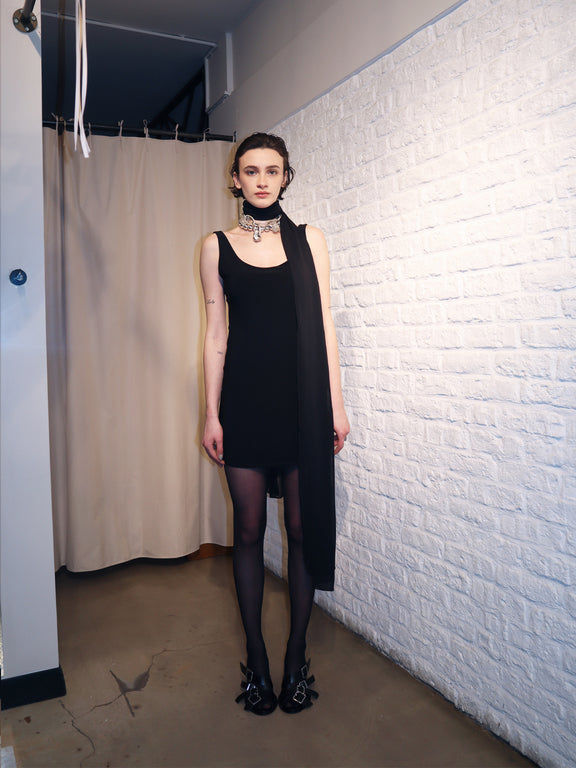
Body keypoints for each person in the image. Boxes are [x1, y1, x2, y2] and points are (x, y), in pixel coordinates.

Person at [200, 132, 349, 715]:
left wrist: (337, 405)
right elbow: (215, 335)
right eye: (250, 170)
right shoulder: (215, 246)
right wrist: (211, 413)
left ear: (286, 177)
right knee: (247, 531)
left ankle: (295, 659)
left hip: (302, 405)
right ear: (235, 179)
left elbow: (325, 325)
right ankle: (257, 662)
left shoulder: (310, 240)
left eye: (272, 170)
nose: (261, 180)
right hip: (243, 404)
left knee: (302, 530)